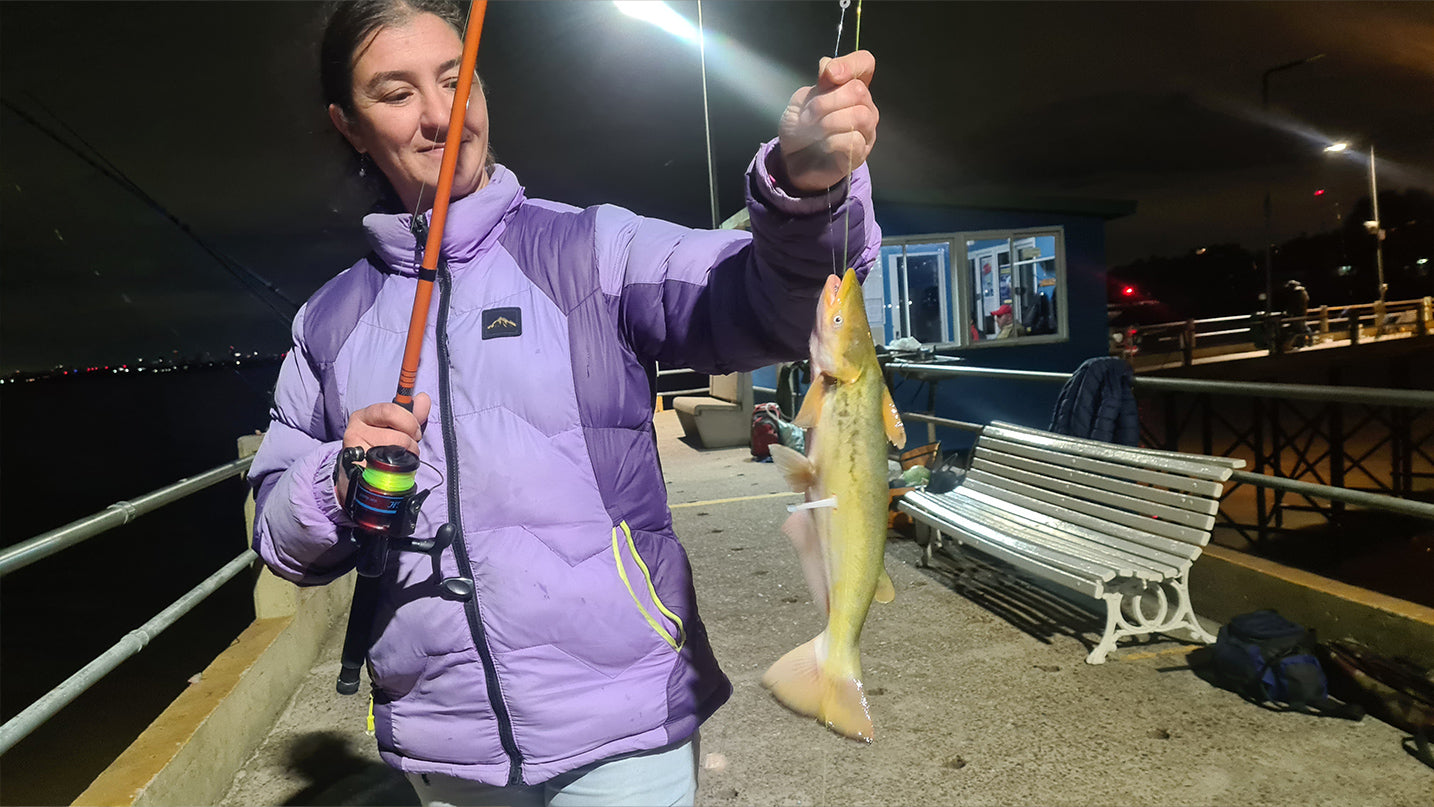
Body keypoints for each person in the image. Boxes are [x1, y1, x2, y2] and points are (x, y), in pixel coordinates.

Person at [245, 1, 882, 805]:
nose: (442, 116)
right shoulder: (328, 323)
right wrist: (337, 481)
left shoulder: (593, 252)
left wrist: (803, 188)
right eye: (395, 93)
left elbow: (770, 305)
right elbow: (279, 535)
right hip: (447, 748)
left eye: (455, 79)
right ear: (349, 124)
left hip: (621, 733)